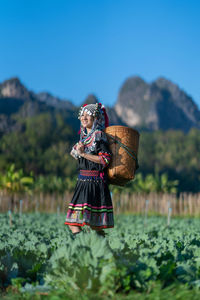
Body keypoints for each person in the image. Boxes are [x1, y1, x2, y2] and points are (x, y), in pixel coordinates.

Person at [64, 103, 114, 236]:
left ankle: (99, 249)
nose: (84, 118)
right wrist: (79, 153)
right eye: (82, 115)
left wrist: (84, 154)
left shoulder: (99, 136)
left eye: (88, 115)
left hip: (95, 183)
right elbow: (77, 155)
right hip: (82, 183)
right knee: (73, 222)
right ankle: (86, 247)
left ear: (95, 118)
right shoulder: (84, 138)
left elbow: (105, 160)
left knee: (93, 225)